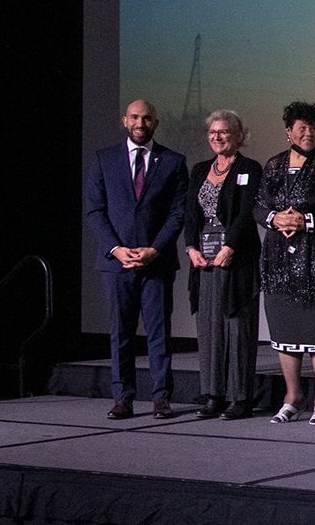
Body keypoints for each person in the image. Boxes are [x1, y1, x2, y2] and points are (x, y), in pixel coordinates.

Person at [84, 99, 189, 420]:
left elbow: (177, 212)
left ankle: (161, 397)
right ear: (124, 121)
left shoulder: (172, 161)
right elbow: (94, 211)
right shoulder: (104, 160)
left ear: (155, 123)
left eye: (146, 118)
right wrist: (116, 249)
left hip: (156, 262)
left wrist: (154, 249)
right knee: (121, 333)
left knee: (159, 332)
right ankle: (123, 398)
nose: (140, 123)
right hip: (117, 264)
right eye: (134, 118)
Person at [256, 101, 315, 425]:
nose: (309, 133)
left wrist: (307, 221)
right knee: (283, 325)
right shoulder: (272, 166)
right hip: (279, 257)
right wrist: (274, 217)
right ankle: (293, 396)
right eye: (302, 128)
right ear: (288, 131)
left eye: (313, 128)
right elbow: (257, 206)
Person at [183, 109, 264, 420]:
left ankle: (240, 398)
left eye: (224, 132)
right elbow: (190, 214)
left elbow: (246, 214)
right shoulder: (200, 169)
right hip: (203, 260)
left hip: (236, 259)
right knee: (209, 329)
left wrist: (229, 246)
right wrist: (191, 248)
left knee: (238, 329)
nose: (216, 137)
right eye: (212, 132)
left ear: (238, 136)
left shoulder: (249, 168)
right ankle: (213, 395)